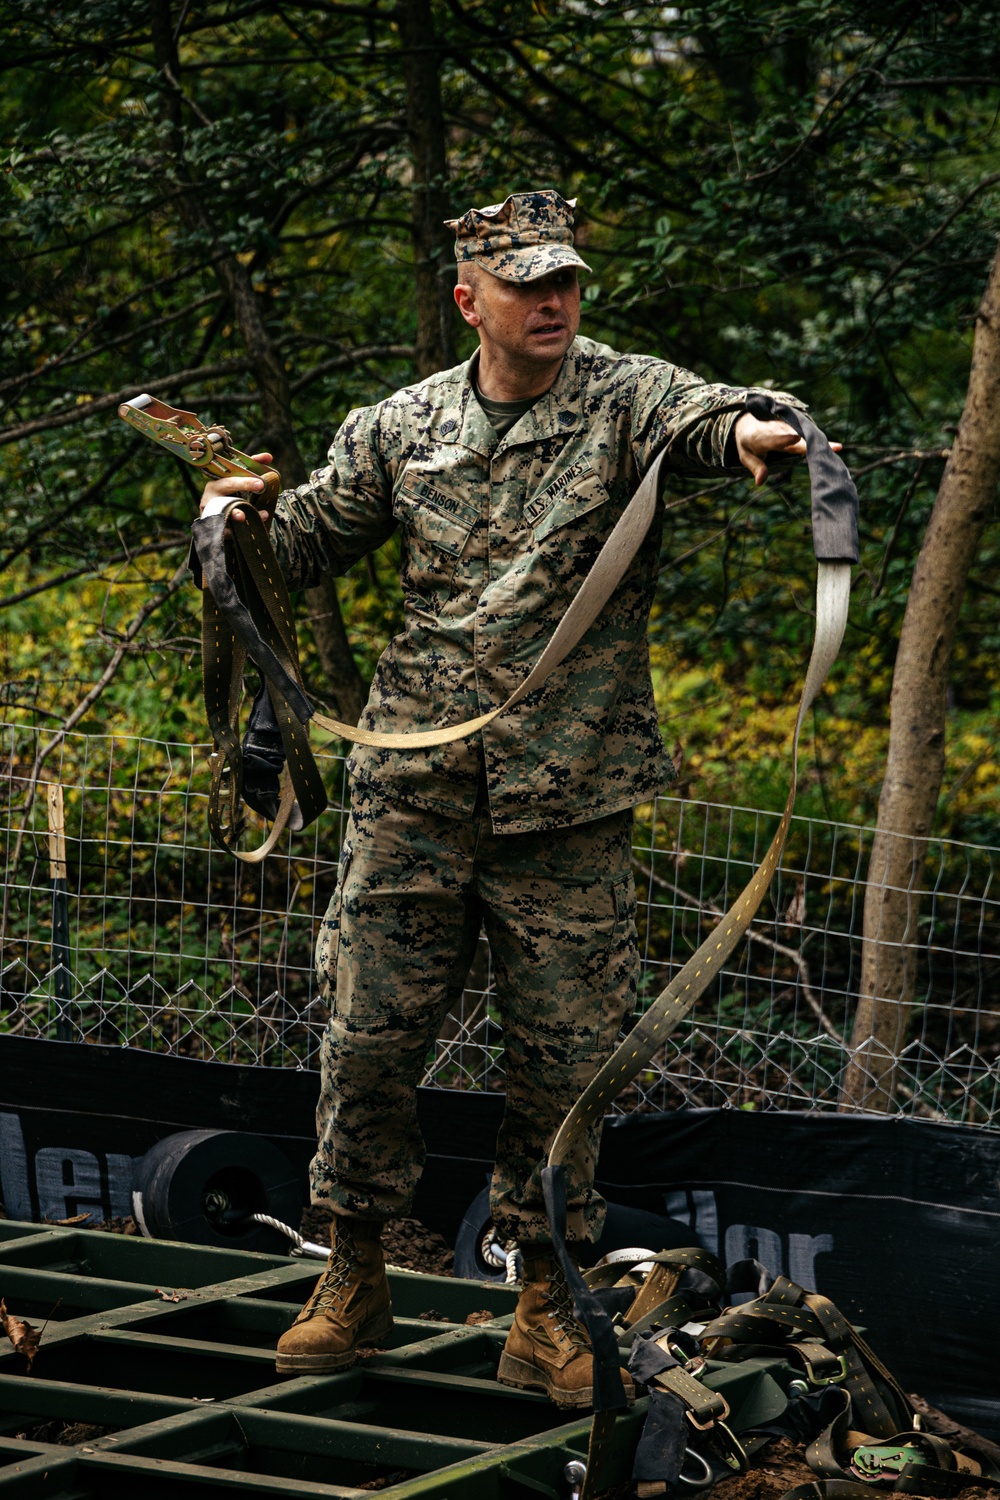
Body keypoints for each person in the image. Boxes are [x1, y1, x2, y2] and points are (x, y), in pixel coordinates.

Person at [199, 190, 821, 1408]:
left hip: (569, 800)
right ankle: (354, 1277)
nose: (552, 302)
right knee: (367, 1041)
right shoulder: (398, 425)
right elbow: (310, 540)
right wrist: (237, 514)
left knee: (564, 1068)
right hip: (414, 789)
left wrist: (755, 434)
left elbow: (713, 419)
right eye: (526, 283)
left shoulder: (626, 396)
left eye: (567, 281)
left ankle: (546, 1306)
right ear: (466, 297)